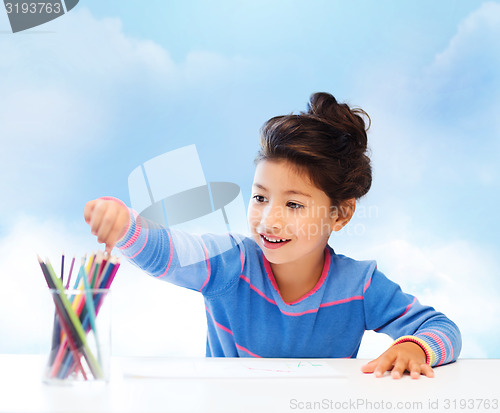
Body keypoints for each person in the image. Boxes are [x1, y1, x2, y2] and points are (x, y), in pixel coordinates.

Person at [84, 92, 461, 379]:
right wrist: (127, 227)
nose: (269, 219)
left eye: (293, 205)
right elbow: (171, 252)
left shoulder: (359, 286)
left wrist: (416, 347)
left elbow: (442, 328)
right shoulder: (231, 264)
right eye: (260, 197)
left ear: (341, 213)